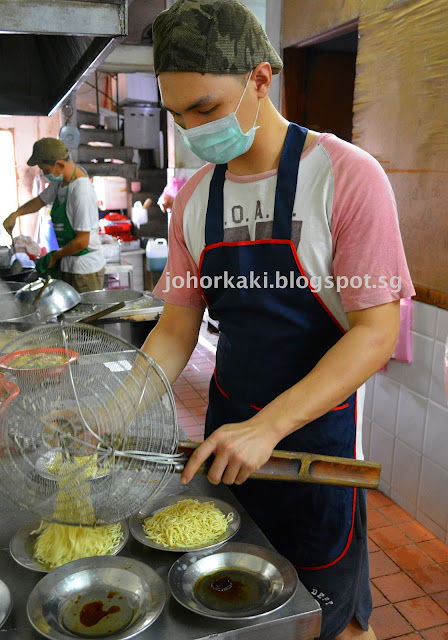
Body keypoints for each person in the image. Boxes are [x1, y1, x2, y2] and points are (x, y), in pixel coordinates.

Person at [138, 1, 415, 638]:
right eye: (177, 115)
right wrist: (116, 405)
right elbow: (177, 327)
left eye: (204, 108)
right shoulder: (196, 197)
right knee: (240, 605)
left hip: (312, 447)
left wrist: (269, 427)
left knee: (329, 616)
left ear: (262, 79)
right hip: (225, 438)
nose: (191, 130)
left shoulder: (345, 177)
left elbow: (374, 333)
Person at [3, 138, 105, 292]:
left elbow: (82, 242)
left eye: (45, 169)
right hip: (69, 265)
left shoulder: (80, 191)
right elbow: (40, 201)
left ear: (59, 164)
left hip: (85, 272)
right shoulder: (61, 182)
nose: (44, 174)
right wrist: (15, 214)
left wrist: (54, 256)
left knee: (83, 315)